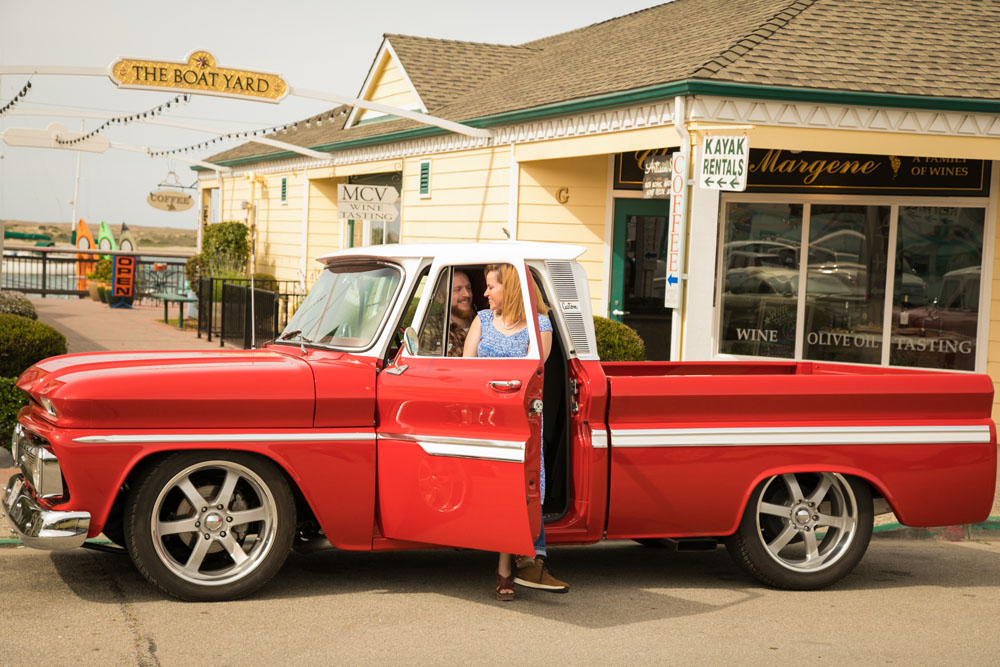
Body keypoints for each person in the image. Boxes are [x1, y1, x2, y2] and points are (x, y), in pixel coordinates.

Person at [463, 263, 569, 601]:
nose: (485, 293)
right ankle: (520, 561)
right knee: (494, 491)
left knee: (521, 491)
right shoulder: (481, 319)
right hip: (485, 418)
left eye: (491, 286)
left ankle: (509, 567)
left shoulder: (540, 325)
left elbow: (533, 373)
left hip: (522, 422)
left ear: (510, 289)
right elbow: (466, 368)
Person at [446, 270, 475, 357]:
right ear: (440, 297)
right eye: (458, 289)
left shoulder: (484, 323)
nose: (467, 294)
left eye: (468, 288)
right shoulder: (436, 330)